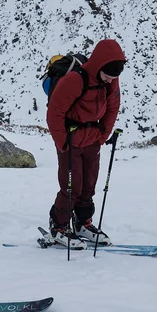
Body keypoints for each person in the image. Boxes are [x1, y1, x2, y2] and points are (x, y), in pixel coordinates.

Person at [45, 39, 125, 242]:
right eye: (108, 76)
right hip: (71, 140)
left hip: (92, 139)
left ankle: (83, 223)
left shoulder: (111, 80)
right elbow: (55, 112)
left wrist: (102, 135)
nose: (110, 81)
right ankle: (59, 226)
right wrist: (62, 142)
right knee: (72, 187)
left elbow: (113, 107)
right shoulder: (75, 80)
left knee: (89, 184)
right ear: (99, 66)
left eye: (114, 77)